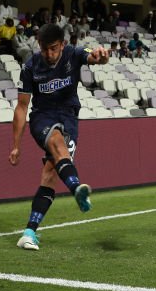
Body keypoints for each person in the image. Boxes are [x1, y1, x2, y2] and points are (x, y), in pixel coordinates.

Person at [10, 23, 109, 251]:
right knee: (55, 141)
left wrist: (101, 57)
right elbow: (21, 107)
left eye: (54, 48)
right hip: (42, 117)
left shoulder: (73, 54)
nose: (50, 54)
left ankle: (28, 233)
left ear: (63, 45)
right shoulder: (30, 67)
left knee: (50, 174)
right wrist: (15, 145)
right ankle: (76, 189)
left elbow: (93, 58)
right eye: (45, 49)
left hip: (69, 118)